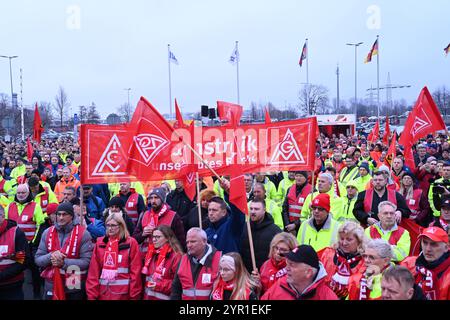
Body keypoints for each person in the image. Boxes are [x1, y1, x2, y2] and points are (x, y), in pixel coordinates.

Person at [35, 202, 93, 300]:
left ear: (71, 216)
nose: (61, 217)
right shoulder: (47, 232)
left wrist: (63, 263)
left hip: (73, 284)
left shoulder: (83, 234)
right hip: (51, 282)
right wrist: (51, 256)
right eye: (59, 214)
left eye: (64, 214)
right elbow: (38, 259)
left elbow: (87, 262)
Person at [86, 212, 142, 300]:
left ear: (121, 226)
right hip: (103, 294)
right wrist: (92, 296)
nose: (110, 228)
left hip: (123, 295)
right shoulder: (100, 243)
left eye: (113, 225)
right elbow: (93, 272)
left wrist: (134, 296)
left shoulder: (131, 243)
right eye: (108, 225)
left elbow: (135, 273)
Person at [261, 244, 338, 300]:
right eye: (287, 263)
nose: (286, 268)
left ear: (308, 272)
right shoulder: (279, 286)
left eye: (292, 264)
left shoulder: (327, 297)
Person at [133, 188, 185, 259]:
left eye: (156, 198)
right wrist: (143, 234)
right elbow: (134, 238)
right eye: (151, 198)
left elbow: (180, 240)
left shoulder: (173, 216)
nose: (153, 201)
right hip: (145, 258)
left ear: (162, 199)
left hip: (166, 258)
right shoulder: (144, 215)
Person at [319, 221, 367, 299]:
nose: (344, 243)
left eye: (349, 239)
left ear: (359, 241)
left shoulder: (366, 261)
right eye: (341, 238)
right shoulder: (327, 254)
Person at [170, 228, 222, 300]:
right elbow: (176, 288)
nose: (189, 245)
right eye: (187, 242)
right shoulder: (183, 259)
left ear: (204, 241)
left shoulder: (219, 258)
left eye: (193, 241)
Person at [401, 227, 450, 300]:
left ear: (446, 247)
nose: (428, 249)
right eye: (425, 242)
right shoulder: (408, 264)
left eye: (434, 244)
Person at [240, 198, 282, 272]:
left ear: (264, 210)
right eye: (251, 208)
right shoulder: (245, 227)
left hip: (266, 275)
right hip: (246, 274)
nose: (252, 212)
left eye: (256, 209)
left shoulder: (275, 231)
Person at [142, 225, 183, 300]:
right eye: (153, 237)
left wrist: (158, 286)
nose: (154, 240)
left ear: (167, 238)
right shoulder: (150, 254)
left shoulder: (176, 257)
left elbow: (178, 284)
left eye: (158, 237)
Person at [0, 205, 30, 300]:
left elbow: (22, 261)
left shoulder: (16, 233)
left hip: (11, 287)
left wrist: (2, 276)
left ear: (3, 215)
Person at [205, 189, 246, 254]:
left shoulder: (232, 225)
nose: (210, 213)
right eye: (209, 210)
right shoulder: (206, 232)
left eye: (214, 210)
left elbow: (238, 211)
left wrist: (228, 193)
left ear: (224, 212)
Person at [281, 171, 312, 235]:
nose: (298, 178)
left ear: (306, 178)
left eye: (300, 176)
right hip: (289, 226)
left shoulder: (312, 190)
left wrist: (295, 225)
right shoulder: (290, 189)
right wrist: (287, 224)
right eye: (297, 176)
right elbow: (285, 208)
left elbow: (310, 212)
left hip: (303, 226)